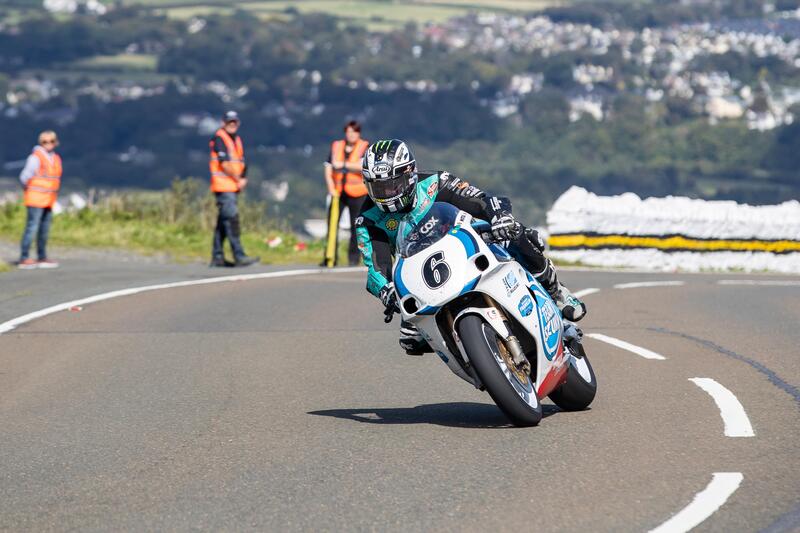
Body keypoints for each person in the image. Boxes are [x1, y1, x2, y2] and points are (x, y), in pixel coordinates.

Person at [355, 139, 587, 354]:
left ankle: (556, 292)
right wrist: (386, 291)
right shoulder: (367, 219)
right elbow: (376, 267)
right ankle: (473, 357)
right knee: (411, 341)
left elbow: (479, 200)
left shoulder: (435, 182)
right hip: (423, 272)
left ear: (409, 175)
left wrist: (499, 216)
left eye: (392, 185)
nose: (386, 195)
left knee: (517, 234)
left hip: (465, 241)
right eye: (378, 188)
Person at [209, 110, 259, 267]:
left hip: (232, 186)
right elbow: (224, 164)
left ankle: (217, 256)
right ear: (223, 123)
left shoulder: (236, 139)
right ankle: (239, 255)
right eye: (229, 122)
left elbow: (241, 161)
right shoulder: (220, 138)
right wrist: (238, 179)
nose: (232, 125)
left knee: (223, 223)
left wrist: (243, 177)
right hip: (224, 186)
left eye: (234, 122)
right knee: (232, 220)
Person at [321, 120, 370, 267]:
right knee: (332, 224)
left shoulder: (364, 146)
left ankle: (353, 259)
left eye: (354, 132)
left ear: (358, 133)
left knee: (356, 226)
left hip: (358, 193)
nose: (351, 135)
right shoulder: (337, 146)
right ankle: (329, 257)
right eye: (349, 132)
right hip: (338, 192)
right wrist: (331, 187)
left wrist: (343, 165)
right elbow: (328, 167)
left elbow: (363, 166)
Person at [18, 130, 62, 269]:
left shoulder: (55, 158)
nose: (48, 144)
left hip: (49, 200)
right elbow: (24, 177)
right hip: (35, 199)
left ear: (55, 142)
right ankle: (24, 257)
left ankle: (42, 257)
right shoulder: (35, 158)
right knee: (32, 228)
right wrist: (29, 190)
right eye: (45, 141)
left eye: (51, 141)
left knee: (44, 229)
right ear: (40, 143)